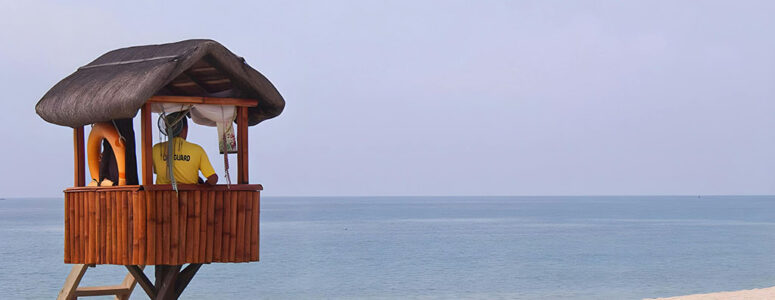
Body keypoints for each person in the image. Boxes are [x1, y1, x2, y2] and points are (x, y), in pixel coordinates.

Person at [152, 112, 218, 185]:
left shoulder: (156, 149)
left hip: (161, 195)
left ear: (167, 130)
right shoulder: (197, 150)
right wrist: (203, 186)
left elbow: (157, 171)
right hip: (190, 195)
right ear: (185, 129)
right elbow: (213, 179)